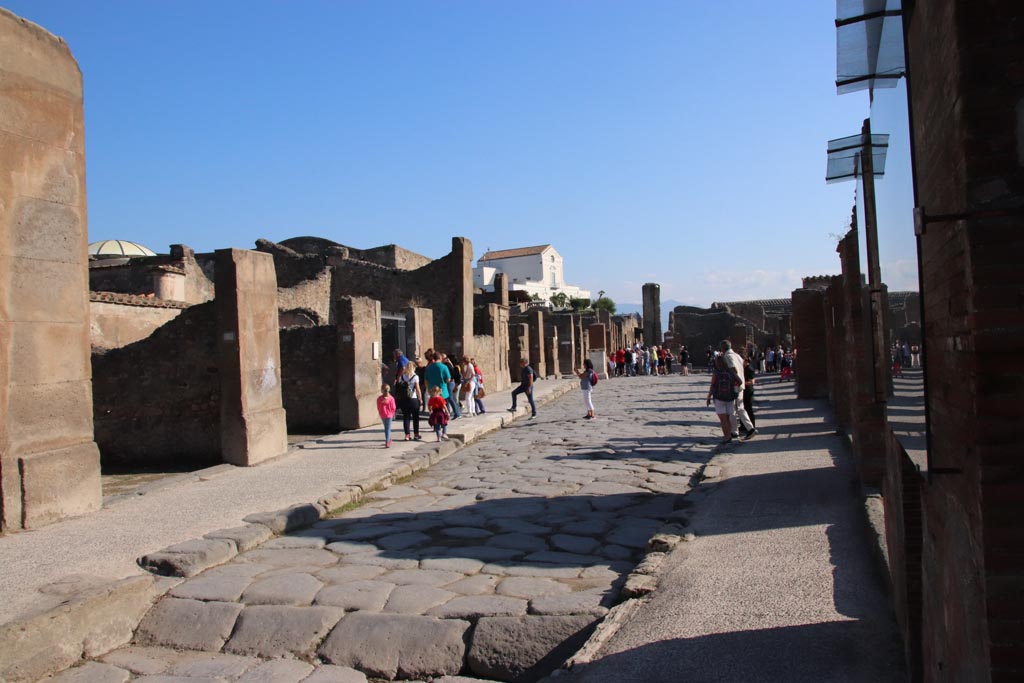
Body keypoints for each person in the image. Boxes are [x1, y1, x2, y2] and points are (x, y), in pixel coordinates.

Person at [719, 339, 757, 440]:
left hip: (735, 386)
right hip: (740, 385)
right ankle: (735, 431)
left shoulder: (728, 356)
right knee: (738, 408)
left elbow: (733, 370)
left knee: (734, 409)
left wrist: (734, 382)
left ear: (722, 348)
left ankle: (749, 429)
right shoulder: (737, 355)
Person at [706, 356, 738, 444]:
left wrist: (709, 397)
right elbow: (739, 381)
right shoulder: (730, 371)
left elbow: (712, 386)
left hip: (719, 397)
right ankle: (729, 435)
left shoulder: (716, 373)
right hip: (730, 397)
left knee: (723, 420)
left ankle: (726, 437)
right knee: (727, 418)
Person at [395, 361, 422, 441]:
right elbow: (417, 389)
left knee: (406, 417)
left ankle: (407, 435)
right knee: (415, 417)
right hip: (413, 398)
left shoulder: (402, 376)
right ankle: (416, 434)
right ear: (413, 367)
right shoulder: (415, 377)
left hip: (404, 399)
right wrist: (420, 399)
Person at [423, 350, 454, 420]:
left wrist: (428, 389)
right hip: (443, 390)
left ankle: (436, 423)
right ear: (440, 357)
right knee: (443, 406)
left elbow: (426, 380)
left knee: (435, 408)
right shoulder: (444, 367)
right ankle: (444, 423)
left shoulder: (429, 367)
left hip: (432, 390)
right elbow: (448, 379)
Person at [376, 384, 396, 448]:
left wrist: (380, 412)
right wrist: (392, 413)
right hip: (389, 415)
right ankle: (388, 440)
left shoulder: (379, 399)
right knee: (387, 428)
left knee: (386, 428)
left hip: (383, 415)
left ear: (382, 390)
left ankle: (388, 440)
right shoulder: (391, 398)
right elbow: (393, 407)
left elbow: (378, 407)